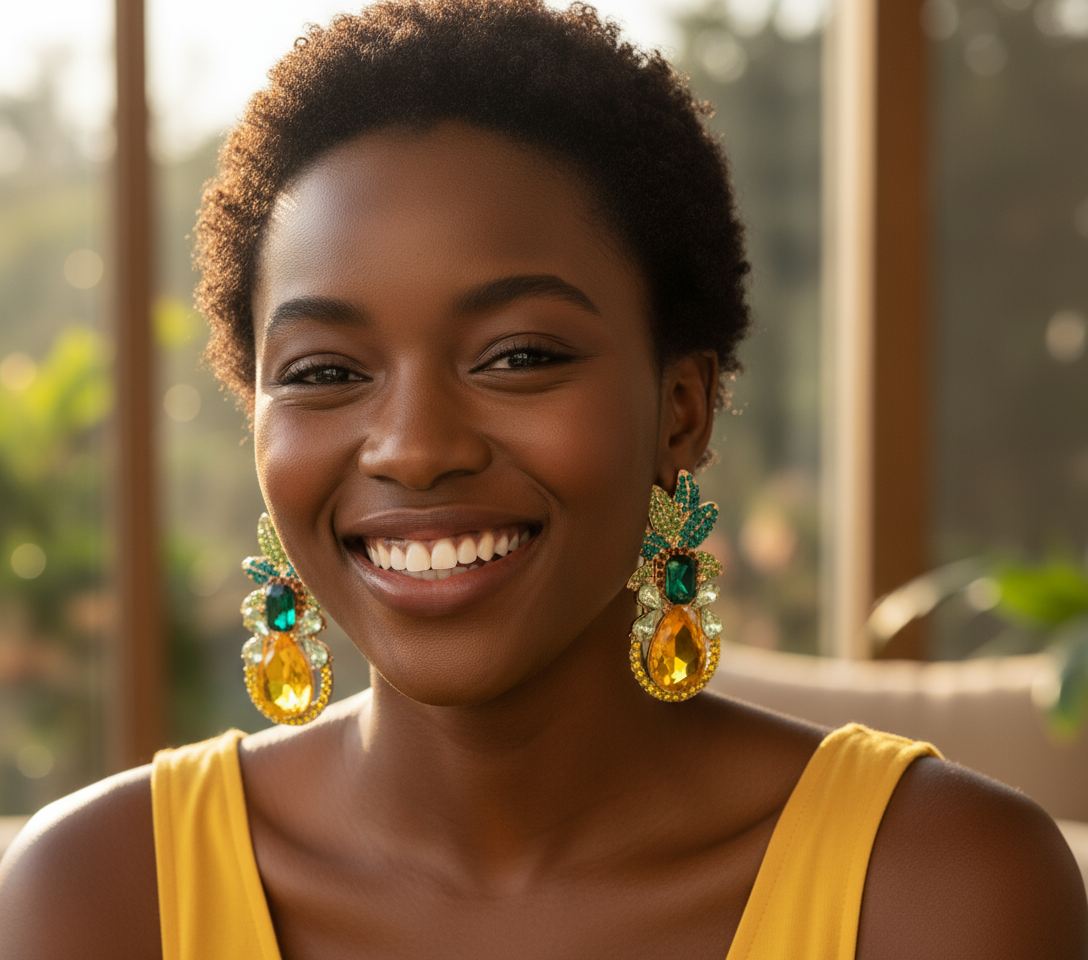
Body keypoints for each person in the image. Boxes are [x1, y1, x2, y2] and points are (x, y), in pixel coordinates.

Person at [1, 1, 1085, 957]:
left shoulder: (938, 892)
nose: (413, 447)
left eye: (518, 356)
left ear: (682, 410)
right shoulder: (100, 899)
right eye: (326, 371)